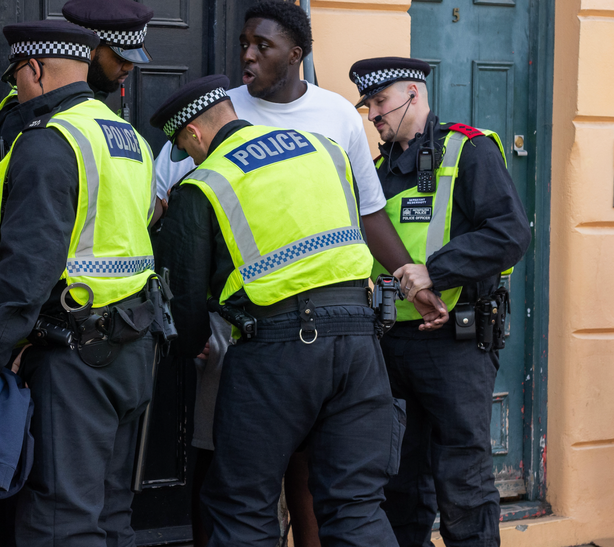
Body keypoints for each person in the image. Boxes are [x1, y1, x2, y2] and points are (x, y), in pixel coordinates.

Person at [150, 4, 445, 544]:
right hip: (357, 341)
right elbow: (361, 212)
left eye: (262, 45)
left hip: (276, 344)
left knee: (240, 505)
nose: (247, 55)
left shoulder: (205, 181)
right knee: (355, 503)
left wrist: (185, 342)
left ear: (193, 133)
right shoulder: (321, 146)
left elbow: (186, 289)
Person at [0, 20, 160, 547]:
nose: (17, 91)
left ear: (32, 69)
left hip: (75, 358)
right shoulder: (128, 137)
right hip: (132, 347)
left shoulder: (49, 142)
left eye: (18, 78)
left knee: (60, 524)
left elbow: (26, 273)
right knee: (111, 515)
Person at [349, 56, 532, 547]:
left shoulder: (467, 150)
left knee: (463, 484)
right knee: (399, 485)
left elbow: (511, 233)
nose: (374, 116)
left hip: (455, 346)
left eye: (381, 103)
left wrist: (437, 271)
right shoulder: (376, 169)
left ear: (414, 91)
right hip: (391, 345)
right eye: (368, 107)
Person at [0, 0, 156, 172]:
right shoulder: (30, 105)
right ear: (89, 49)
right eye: (120, 59)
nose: (130, 67)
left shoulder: (92, 102)